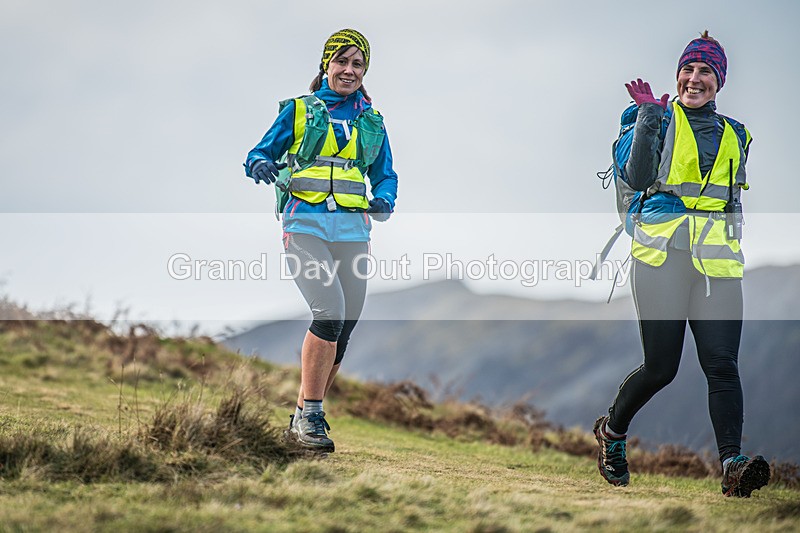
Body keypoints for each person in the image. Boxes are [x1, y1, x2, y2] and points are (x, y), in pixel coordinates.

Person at [593, 31, 770, 497]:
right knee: (661, 367)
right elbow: (638, 177)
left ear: (719, 81)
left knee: (722, 364)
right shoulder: (650, 116)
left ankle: (732, 466)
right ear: (677, 75)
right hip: (662, 255)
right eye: (688, 69)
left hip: (717, 262)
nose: (695, 78)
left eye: (705, 71)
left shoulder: (737, 134)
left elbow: (729, 200)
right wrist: (649, 116)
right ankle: (612, 432)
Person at [243, 29, 398, 452]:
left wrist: (385, 199)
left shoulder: (372, 121)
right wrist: (259, 165)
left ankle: (301, 420)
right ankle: (311, 416)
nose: (349, 70)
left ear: (365, 71)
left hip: (353, 231)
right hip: (305, 227)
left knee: (343, 329)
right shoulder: (298, 111)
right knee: (328, 313)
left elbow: (385, 174)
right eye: (341, 61)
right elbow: (258, 153)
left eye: (357, 64)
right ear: (326, 65)